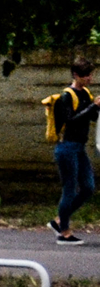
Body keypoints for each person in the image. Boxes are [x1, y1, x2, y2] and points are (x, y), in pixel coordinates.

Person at [48, 60, 98, 243]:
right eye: (86, 75)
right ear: (76, 75)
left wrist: (95, 106)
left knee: (88, 187)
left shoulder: (85, 93)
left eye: (90, 74)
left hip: (79, 147)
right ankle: (64, 232)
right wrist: (93, 106)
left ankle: (59, 221)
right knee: (69, 188)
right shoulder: (66, 96)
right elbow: (70, 120)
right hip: (67, 146)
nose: (89, 78)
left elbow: (91, 117)